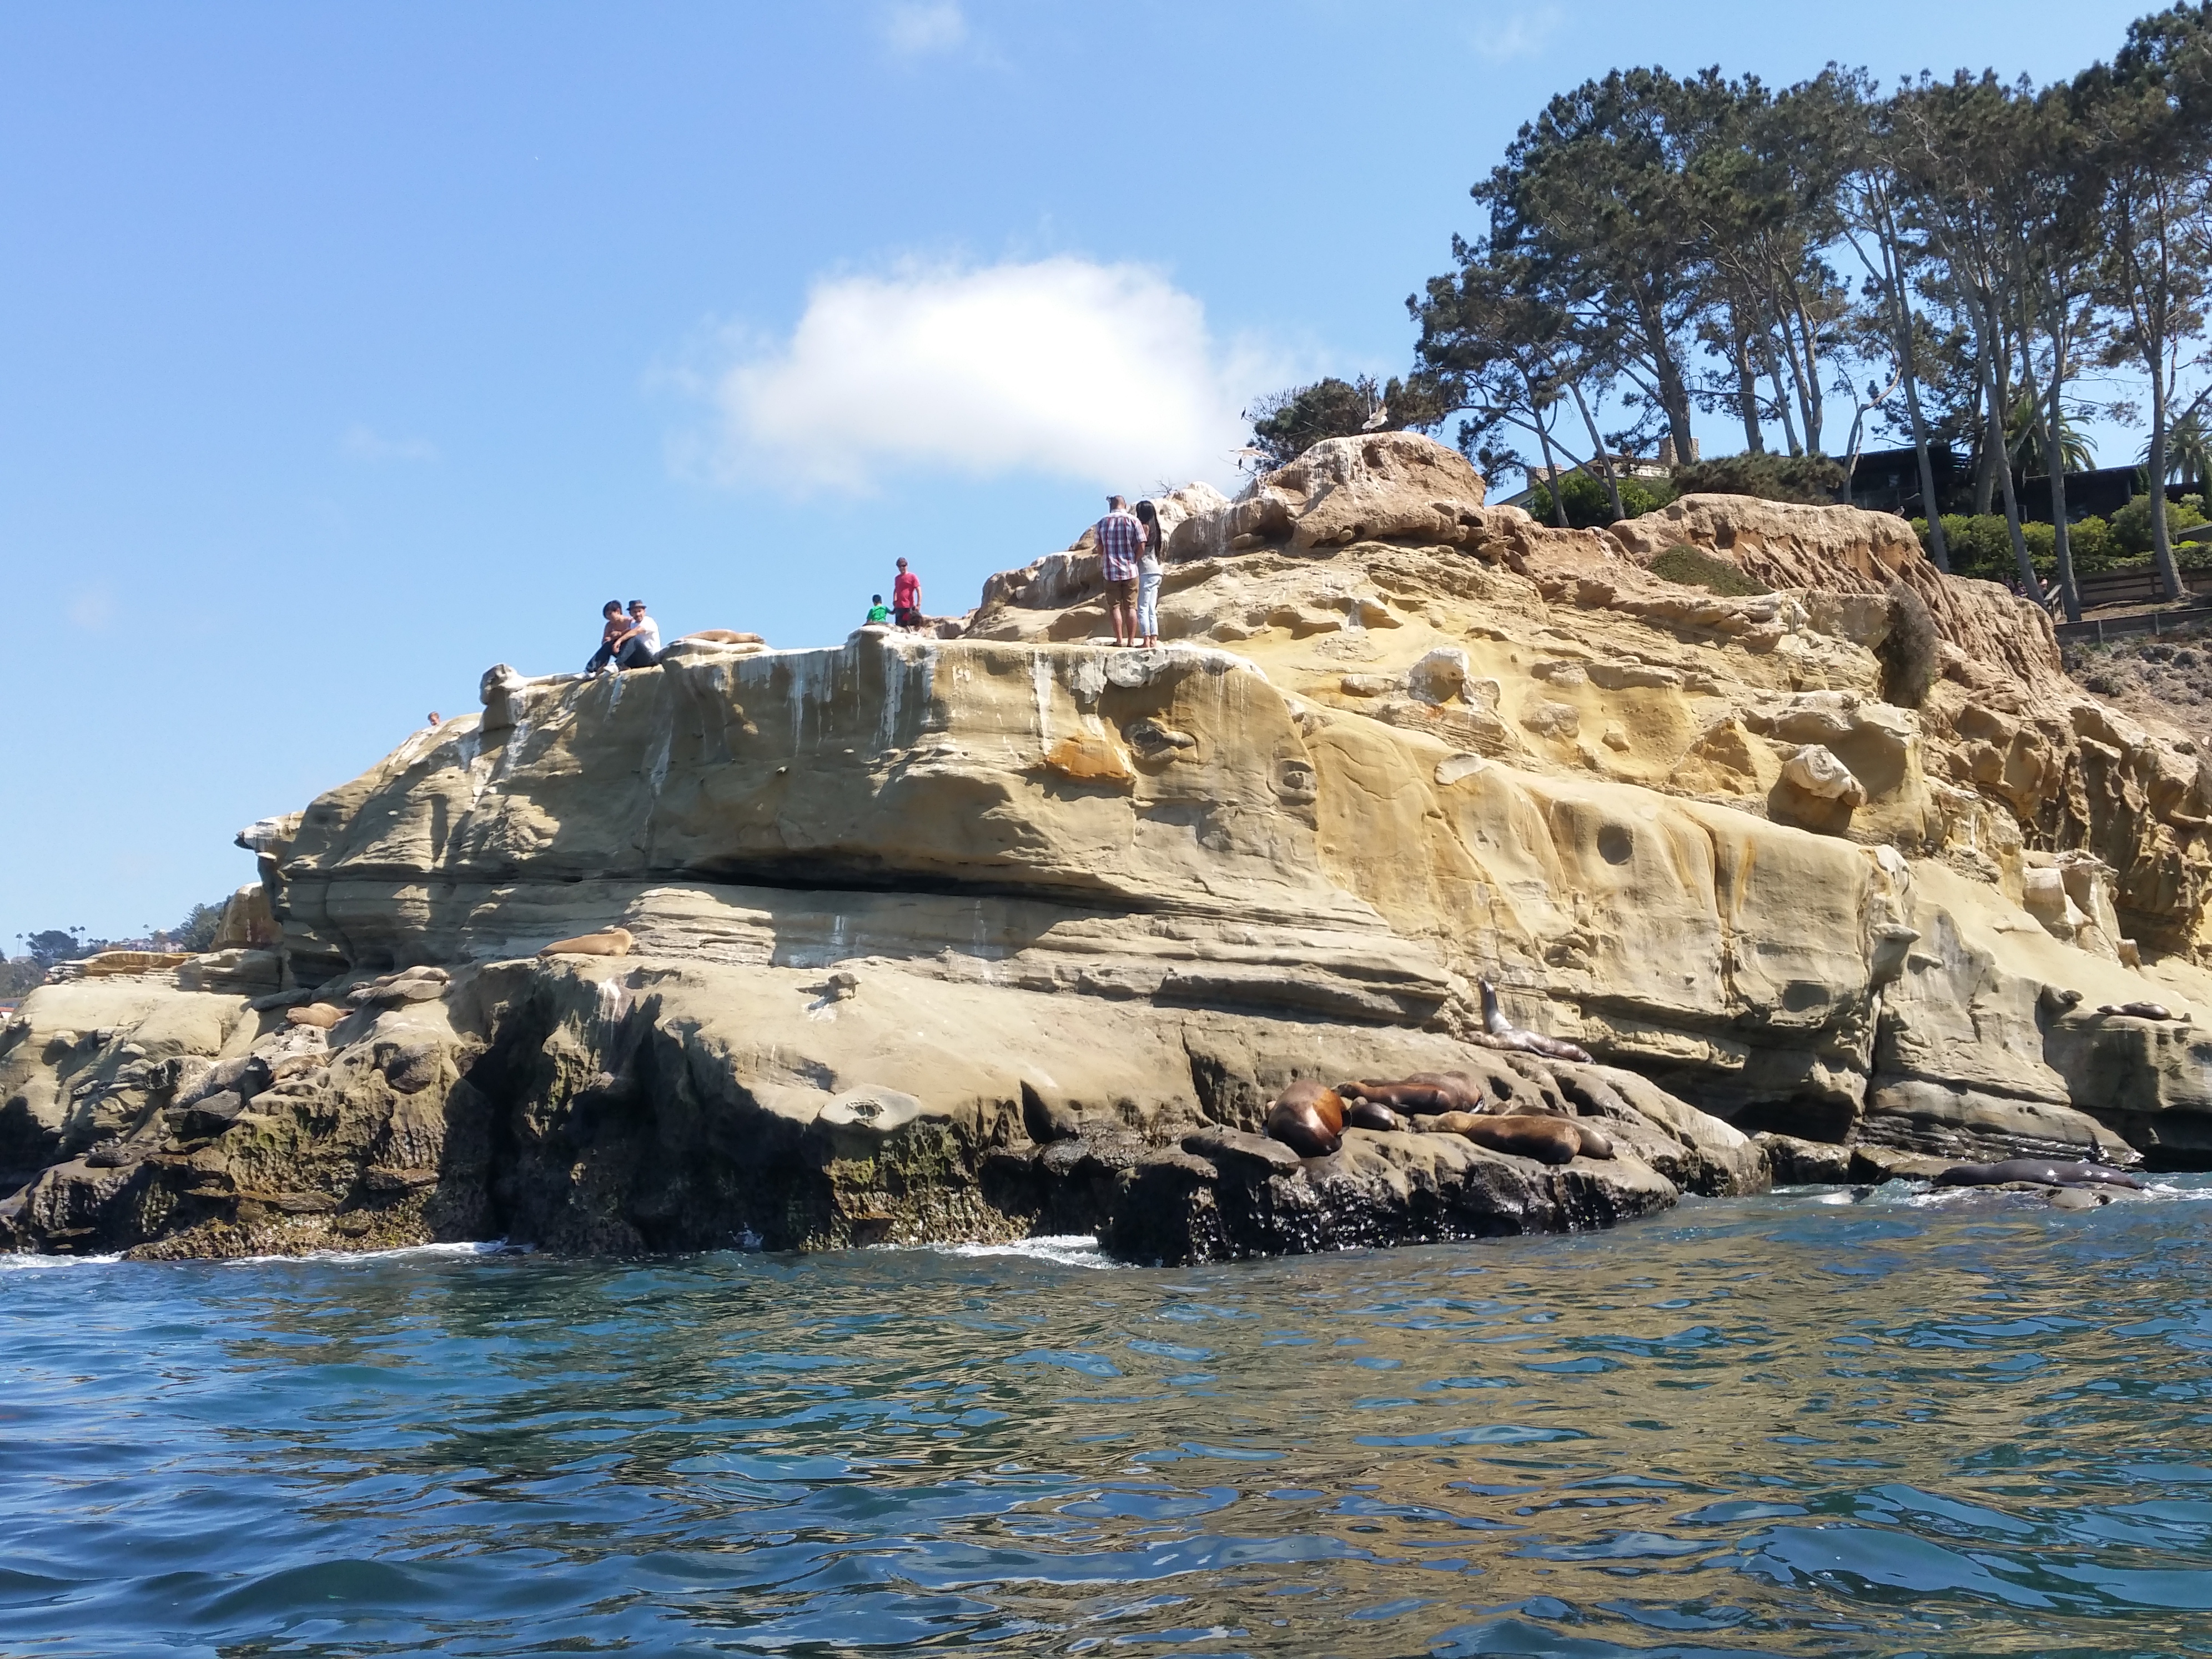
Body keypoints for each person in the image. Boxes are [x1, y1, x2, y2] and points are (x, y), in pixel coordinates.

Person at [1093, 495, 1144, 646]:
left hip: (1111, 571)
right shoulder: (1134, 521)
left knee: (1115, 607)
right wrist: (1134, 559)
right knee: (1131, 607)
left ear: (1112, 506)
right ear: (1125, 505)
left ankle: (1119, 640)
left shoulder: (1102, 522)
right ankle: (1131, 641)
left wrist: (1107, 557)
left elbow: (1099, 548)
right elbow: (1142, 544)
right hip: (1130, 569)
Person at [1133, 499, 1164, 648]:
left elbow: (1140, 547)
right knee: (1152, 608)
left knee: (1142, 608)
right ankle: (1154, 640)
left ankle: (1146, 640)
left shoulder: (1144, 527)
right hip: (1156, 571)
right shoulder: (1156, 528)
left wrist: (1133, 559)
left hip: (1146, 571)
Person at [611, 599, 661, 670]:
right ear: (631, 614)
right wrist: (617, 636)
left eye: (640, 611)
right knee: (611, 644)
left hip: (650, 659)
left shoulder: (648, 621)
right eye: (635, 612)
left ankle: (617, 664)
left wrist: (620, 640)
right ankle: (595, 669)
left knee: (633, 640)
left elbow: (636, 631)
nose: (638, 614)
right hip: (638, 661)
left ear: (644, 611)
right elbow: (628, 632)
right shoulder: (633, 624)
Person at [585, 600, 629, 673]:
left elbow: (633, 634)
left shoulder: (629, 621)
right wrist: (610, 639)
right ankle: (592, 669)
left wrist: (619, 634)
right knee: (608, 645)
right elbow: (604, 642)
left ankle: (619, 665)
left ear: (618, 611)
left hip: (630, 651)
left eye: (610, 614)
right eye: (607, 616)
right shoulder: (609, 625)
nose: (608, 617)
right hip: (618, 650)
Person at [892, 559, 922, 628]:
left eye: (904, 566)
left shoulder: (912, 577)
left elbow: (919, 590)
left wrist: (918, 604)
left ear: (907, 566)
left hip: (909, 606)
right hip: (899, 607)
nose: (902, 568)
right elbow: (896, 589)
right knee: (899, 627)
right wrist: (894, 600)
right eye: (900, 566)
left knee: (909, 626)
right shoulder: (897, 578)